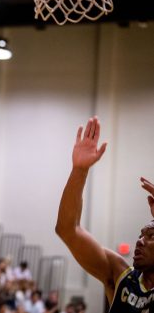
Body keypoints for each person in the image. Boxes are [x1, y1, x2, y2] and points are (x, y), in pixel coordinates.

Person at [56, 116, 154, 312]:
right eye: (141, 235)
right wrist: (79, 170)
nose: (141, 241)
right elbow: (68, 230)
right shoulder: (121, 275)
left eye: (151, 236)